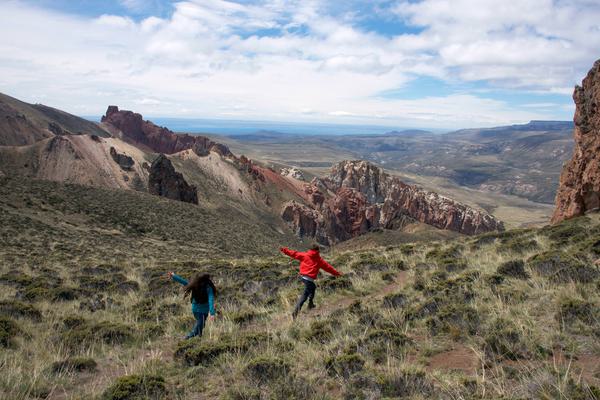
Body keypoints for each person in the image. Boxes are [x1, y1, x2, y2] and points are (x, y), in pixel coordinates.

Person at [280, 243, 342, 319]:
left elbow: (293, 253)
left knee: (313, 287)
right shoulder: (319, 260)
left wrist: (284, 250)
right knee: (304, 296)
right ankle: (295, 312)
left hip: (303, 277)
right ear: (317, 250)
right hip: (309, 279)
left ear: (310, 250)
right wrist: (337, 274)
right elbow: (328, 268)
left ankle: (310, 304)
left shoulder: (305, 255)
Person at [167, 271, 216, 339]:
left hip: (195, 310)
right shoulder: (208, 288)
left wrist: (174, 276)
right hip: (203, 310)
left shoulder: (195, 284)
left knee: (201, 324)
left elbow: (184, 282)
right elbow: (211, 300)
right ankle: (186, 338)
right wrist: (212, 313)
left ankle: (199, 339)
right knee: (199, 326)